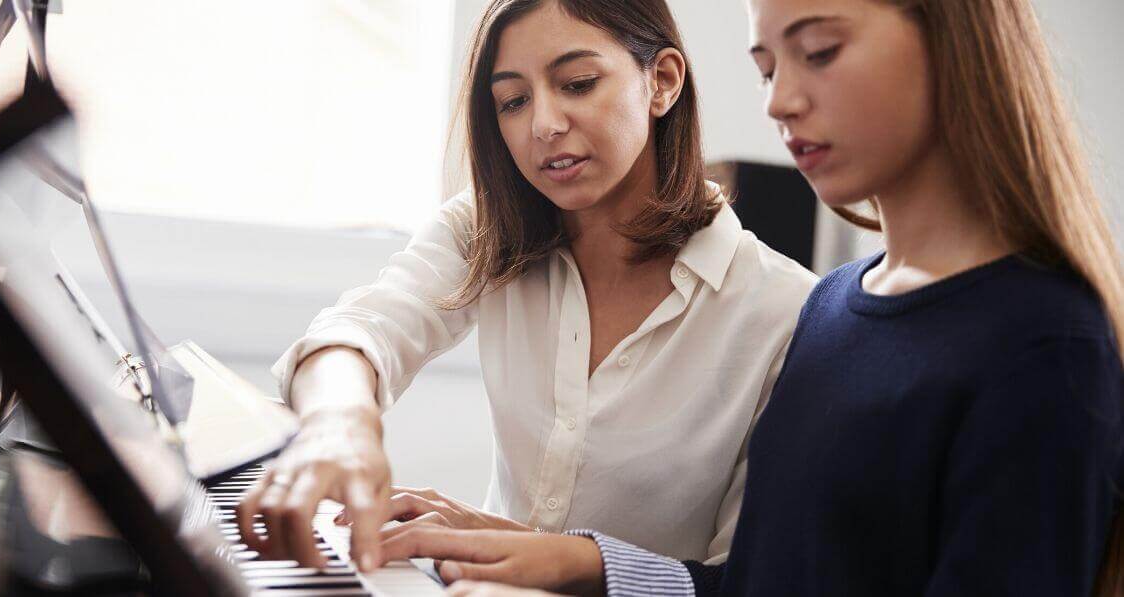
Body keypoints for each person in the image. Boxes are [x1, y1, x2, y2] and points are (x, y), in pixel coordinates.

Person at [379, 0, 1124, 595]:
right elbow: (755, 579)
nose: (779, 102)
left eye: (820, 51)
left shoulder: (1043, 340)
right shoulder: (835, 309)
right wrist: (562, 560)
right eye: (766, 68)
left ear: (951, 40)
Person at [236, 0, 817, 573]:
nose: (543, 125)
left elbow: (743, 578)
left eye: (578, 83)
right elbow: (363, 328)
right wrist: (339, 425)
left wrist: (541, 557)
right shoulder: (487, 233)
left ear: (661, 82)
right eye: (512, 101)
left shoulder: (784, 313)